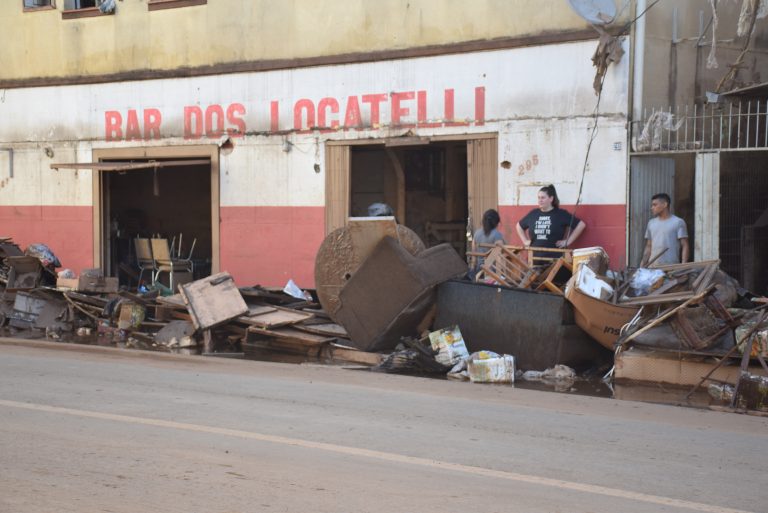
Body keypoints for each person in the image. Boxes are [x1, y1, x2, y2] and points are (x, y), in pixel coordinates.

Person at [516, 185, 586, 260]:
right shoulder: (533, 214)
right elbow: (519, 226)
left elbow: (581, 225)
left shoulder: (561, 214)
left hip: (555, 261)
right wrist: (525, 241)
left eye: (543, 198)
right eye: (538, 198)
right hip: (534, 260)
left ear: (551, 199)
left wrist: (568, 241)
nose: (540, 200)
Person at [640, 193, 689, 266]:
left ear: (665, 205)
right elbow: (648, 246)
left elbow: (685, 245)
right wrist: (642, 265)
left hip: (671, 267)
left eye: (655, 205)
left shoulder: (678, 222)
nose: (652, 208)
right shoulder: (651, 223)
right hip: (653, 267)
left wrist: (683, 265)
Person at [470, 209, 506, 276]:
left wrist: (473, 270)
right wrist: (504, 273)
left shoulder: (476, 234)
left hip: (480, 270)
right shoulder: (497, 235)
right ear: (496, 222)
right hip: (494, 272)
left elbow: (473, 255)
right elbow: (502, 256)